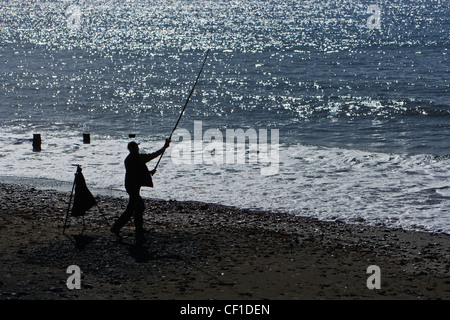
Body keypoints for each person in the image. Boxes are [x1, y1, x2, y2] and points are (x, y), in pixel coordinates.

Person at [111, 138, 170, 244]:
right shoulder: (136, 158)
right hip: (133, 186)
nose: (138, 148)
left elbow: (136, 171)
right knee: (132, 208)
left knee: (138, 207)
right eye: (136, 147)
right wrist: (164, 147)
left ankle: (137, 229)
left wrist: (148, 172)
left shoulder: (129, 159)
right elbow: (152, 156)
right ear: (132, 149)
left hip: (131, 185)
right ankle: (116, 228)